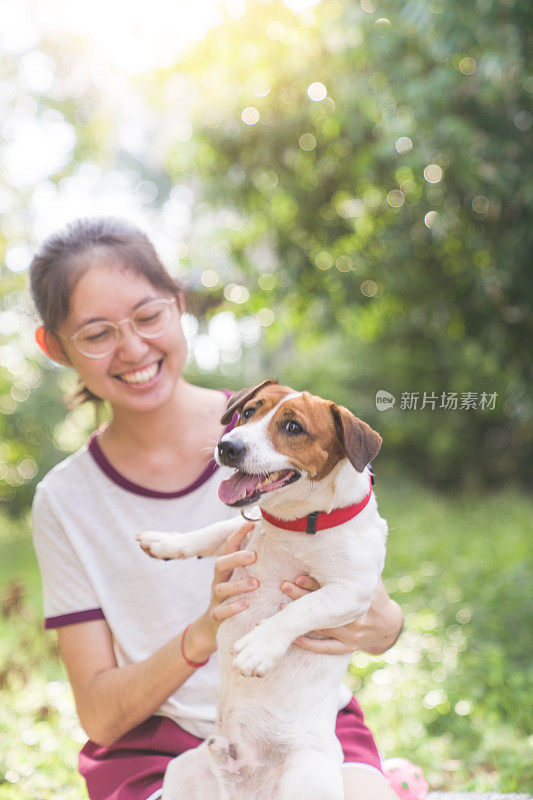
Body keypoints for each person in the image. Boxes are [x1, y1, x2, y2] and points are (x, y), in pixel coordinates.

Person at [30, 217, 403, 800]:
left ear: (179, 307)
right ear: (54, 346)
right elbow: (101, 718)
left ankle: (391, 783)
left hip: (306, 728)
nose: (133, 348)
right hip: (159, 749)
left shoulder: (293, 434)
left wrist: (384, 625)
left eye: (148, 316)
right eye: (97, 333)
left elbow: (368, 605)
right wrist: (205, 632)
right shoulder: (64, 500)